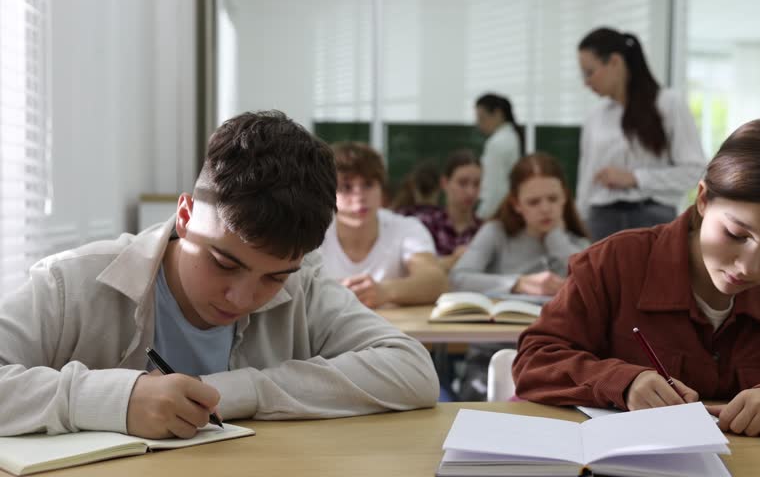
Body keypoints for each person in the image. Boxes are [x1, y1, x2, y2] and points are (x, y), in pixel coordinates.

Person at [0, 110, 440, 438]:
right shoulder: (72, 283)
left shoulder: (303, 284)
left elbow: (413, 371)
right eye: (224, 263)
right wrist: (117, 399)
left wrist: (240, 390)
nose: (241, 298)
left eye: (274, 278)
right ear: (186, 215)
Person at [513, 117, 760, 437]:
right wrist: (622, 382)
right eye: (736, 234)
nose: (749, 267)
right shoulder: (613, 264)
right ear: (703, 199)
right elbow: (536, 358)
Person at [450, 152, 590, 401]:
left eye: (553, 199)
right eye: (534, 202)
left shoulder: (577, 244)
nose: (545, 208)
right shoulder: (496, 233)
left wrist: (555, 239)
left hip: (555, 360)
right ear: (516, 204)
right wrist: (517, 283)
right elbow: (458, 278)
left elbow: (593, 289)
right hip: (490, 357)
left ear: (565, 197)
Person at [575, 27, 705, 241]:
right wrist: (579, 220)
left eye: (590, 72)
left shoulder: (668, 104)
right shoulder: (595, 116)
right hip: (601, 221)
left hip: (652, 219)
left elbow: (694, 170)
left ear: (615, 62)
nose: (586, 82)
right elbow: (586, 176)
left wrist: (635, 178)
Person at [319, 141, 448, 308]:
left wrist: (384, 291)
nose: (359, 196)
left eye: (368, 184)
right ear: (327, 192)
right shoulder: (313, 232)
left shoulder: (407, 228)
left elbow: (436, 281)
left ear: (381, 189)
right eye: (346, 187)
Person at [398, 150, 483, 271]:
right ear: (445, 183)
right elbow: (412, 271)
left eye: (476, 184)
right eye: (462, 183)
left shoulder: (484, 231)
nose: (471, 192)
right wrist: (454, 260)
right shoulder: (424, 224)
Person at [474, 93, 524, 220]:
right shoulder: (511, 137)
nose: (479, 124)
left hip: (497, 214)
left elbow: (494, 187)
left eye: (482, 118)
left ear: (498, 114)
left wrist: (481, 216)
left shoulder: (497, 143)